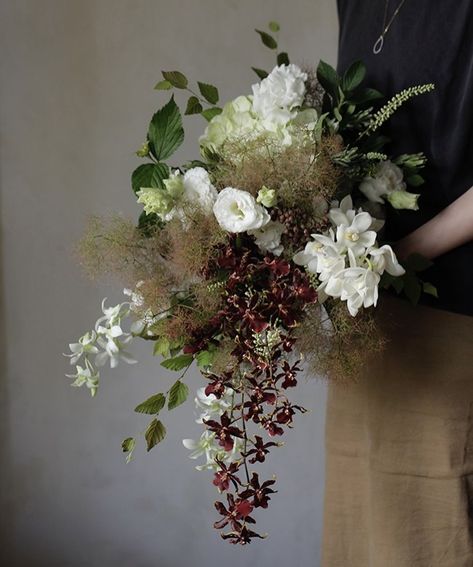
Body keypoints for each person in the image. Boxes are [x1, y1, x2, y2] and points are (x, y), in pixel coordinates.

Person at [321, 1, 473, 566]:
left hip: (452, 318)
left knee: (434, 531)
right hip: (365, 321)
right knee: (361, 529)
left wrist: (399, 254)